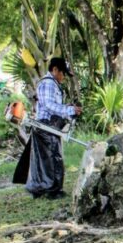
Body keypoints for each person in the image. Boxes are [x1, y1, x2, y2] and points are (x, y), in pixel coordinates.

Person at [25, 57, 82, 200]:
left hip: (46, 125)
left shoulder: (52, 83)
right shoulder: (48, 83)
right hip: (46, 125)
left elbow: (51, 105)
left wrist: (68, 108)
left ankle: (40, 189)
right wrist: (69, 110)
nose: (63, 77)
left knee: (45, 159)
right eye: (62, 73)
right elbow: (49, 105)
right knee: (53, 158)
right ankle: (53, 191)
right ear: (55, 69)